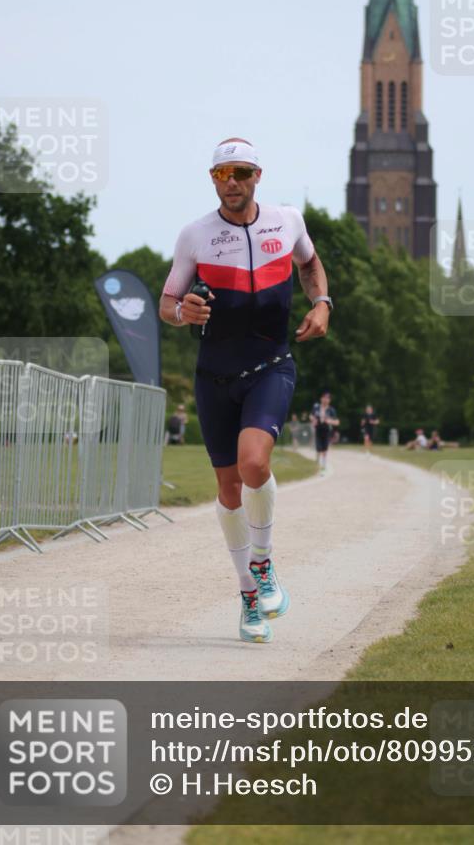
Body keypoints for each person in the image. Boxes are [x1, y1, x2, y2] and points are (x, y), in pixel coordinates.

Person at [159, 137, 332, 643]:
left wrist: (322, 302)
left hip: (271, 364)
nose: (230, 182)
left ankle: (264, 564)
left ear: (258, 174)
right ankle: (249, 597)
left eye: (240, 172)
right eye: (220, 174)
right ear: (212, 180)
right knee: (229, 489)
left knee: (255, 462)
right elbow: (168, 303)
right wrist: (181, 312)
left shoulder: (288, 220)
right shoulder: (195, 235)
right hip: (214, 374)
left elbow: (310, 264)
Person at [311, 391, 339, 474]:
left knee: (324, 450)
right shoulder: (316, 408)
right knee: (319, 449)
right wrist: (313, 420)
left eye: (327, 398)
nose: (325, 400)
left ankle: (323, 467)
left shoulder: (331, 410)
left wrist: (329, 421)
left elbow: (337, 422)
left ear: (329, 400)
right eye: (324, 398)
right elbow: (311, 416)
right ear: (321, 399)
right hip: (318, 430)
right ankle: (320, 465)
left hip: (327, 431)